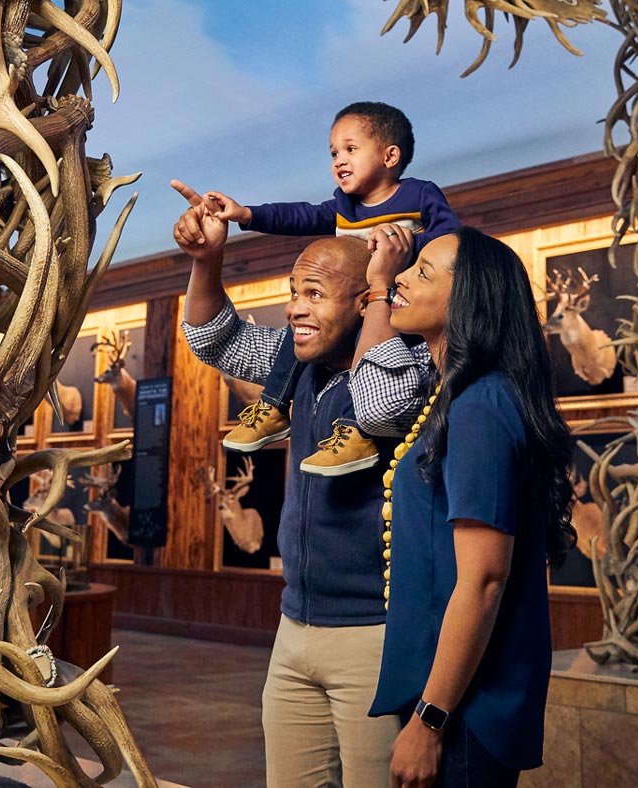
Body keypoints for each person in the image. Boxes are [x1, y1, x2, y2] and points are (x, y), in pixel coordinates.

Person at [171, 186, 426, 788]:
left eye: (313, 293)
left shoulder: (408, 366)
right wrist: (207, 262)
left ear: (367, 302)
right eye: (293, 292)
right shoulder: (298, 365)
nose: (294, 308)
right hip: (295, 628)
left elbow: (380, 406)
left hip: (376, 632)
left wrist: (384, 295)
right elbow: (216, 340)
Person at [361, 227, 576, 788]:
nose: (401, 278)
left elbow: (483, 580)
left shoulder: (481, 405)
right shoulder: (457, 395)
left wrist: (429, 722)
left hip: (462, 711)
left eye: (423, 272)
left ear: (470, 302)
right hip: (451, 698)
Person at [171, 101, 458, 477]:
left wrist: (401, 259)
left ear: (390, 156)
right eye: (334, 152)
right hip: (366, 310)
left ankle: (356, 433)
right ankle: (274, 407)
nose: (294, 309)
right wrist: (241, 220)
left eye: (351, 149)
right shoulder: (343, 208)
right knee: (292, 338)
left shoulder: (419, 197)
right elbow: (301, 216)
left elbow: (450, 246)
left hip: (392, 314)